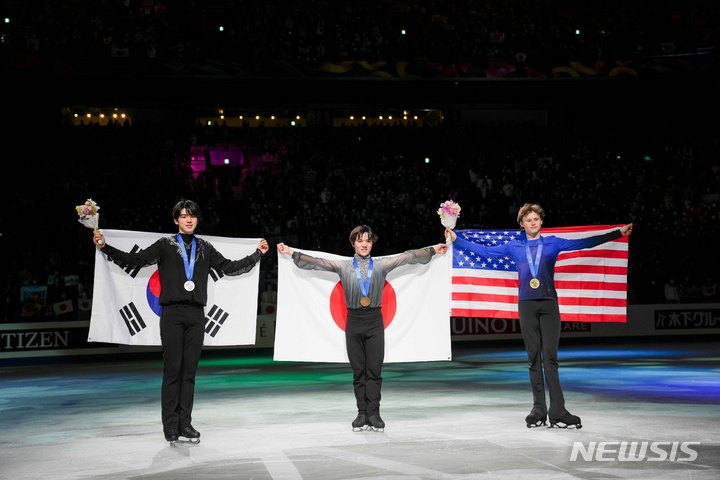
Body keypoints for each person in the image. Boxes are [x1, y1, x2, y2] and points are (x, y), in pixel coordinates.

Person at [92, 199, 269, 443]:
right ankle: (170, 427)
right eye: (184, 216)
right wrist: (105, 247)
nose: (189, 219)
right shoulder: (165, 244)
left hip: (197, 315)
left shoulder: (205, 247)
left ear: (197, 219)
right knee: (173, 371)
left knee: (189, 373)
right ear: (176, 220)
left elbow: (229, 267)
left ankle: (186, 424)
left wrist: (257, 254)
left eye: (192, 216)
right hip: (172, 314)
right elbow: (136, 261)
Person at [446, 203, 632, 429]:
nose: (532, 222)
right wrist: (457, 239)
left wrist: (617, 233)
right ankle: (539, 409)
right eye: (528, 220)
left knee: (550, 359)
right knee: (533, 358)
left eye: (536, 219)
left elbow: (583, 243)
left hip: (549, 305)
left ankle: (558, 410)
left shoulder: (553, 242)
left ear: (541, 221)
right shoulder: (514, 246)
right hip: (526, 305)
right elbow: (485, 252)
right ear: (522, 224)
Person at [277, 225, 448, 431]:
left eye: (367, 240)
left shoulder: (382, 265)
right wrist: (291, 252)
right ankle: (361, 413)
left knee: (374, 371)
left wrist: (433, 250)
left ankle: (374, 414)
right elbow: (317, 263)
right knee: (359, 372)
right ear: (353, 243)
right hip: (354, 321)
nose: (364, 244)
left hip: (375, 320)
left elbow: (408, 257)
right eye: (360, 240)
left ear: (372, 243)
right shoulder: (343, 266)